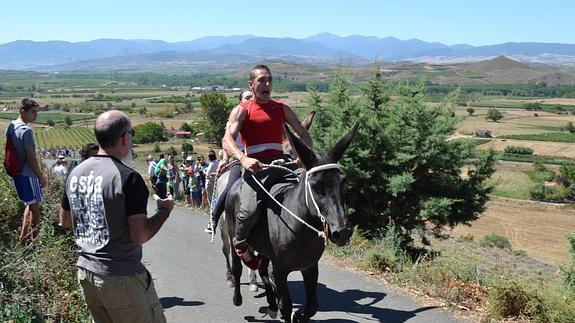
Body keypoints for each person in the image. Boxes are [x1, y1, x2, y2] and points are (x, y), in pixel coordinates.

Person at [59, 110, 174, 322]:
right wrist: (164, 211)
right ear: (123, 137)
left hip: (86, 272)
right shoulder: (128, 178)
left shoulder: (75, 173)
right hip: (121, 277)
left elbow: (65, 221)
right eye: (131, 133)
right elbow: (140, 235)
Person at [222, 65, 312, 270]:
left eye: (269, 80)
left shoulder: (281, 108)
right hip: (256, 168)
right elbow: (227, 139)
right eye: (261, 80)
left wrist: (303, 155)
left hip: (282, 163)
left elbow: (303, 134)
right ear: (251, 85)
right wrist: (243, 159)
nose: (267, 84)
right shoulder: (243, 110)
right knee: (249, 210)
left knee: (314, 188)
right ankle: (240, 244)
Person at [208, 90, 253, 234]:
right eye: (247, 97)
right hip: (239, 159)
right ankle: (214, 218)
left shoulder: (257, 118)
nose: (250, 99)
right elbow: (226, 140)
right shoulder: (233, 121)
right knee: (231, 186)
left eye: (252, 97)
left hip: (257, 158)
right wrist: (225, 159)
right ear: (240, 101)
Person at [5, 98, 47, 242]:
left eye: (37, 112)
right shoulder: (26, 130)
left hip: (17, 173)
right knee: (35, 209)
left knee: (30, 204)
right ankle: (34, 241)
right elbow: (31, 158)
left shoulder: (11, 126)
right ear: (22, 111)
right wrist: (41, 177)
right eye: (33, 112)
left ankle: (23, 237)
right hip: (29, 174)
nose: (36, 115)